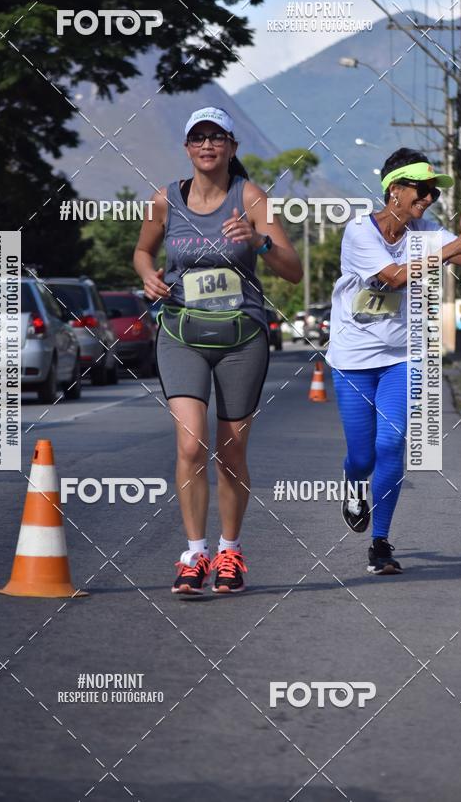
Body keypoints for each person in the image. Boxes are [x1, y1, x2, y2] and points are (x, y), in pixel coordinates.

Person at [133, 107, 302, 594]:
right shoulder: (165, 198)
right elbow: (144, 250)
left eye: (216, 138)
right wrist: (147, 274)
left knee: (230, 452)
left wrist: (260, 242)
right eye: (197, 138)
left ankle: (230, 551)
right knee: (190, 444)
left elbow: (292, 270)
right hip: (182, 333)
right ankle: (194, 553)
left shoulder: (250, 197)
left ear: (231, 146)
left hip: (241, 339)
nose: (207, 145)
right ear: (187, 148)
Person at [325, 147, 461, 575]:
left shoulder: (426, 231)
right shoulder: (359, 232)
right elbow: (392, 276)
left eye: (433, 192)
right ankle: (353, 482)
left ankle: (381, 543)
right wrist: (449, 251)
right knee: (361, 456)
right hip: (353, 359)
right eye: (422, 189)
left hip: (401, 357)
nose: (429, 198)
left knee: (392, 444)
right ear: (394, 190)